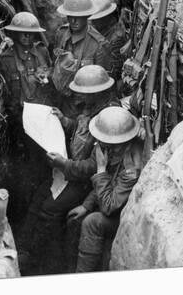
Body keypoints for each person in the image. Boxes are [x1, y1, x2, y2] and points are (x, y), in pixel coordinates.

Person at [17, 64, 119, 275]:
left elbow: (95, 166)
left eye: (83, 92)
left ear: (96, 92)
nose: (78, 95)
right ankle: (25, 250)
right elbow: (82, 129)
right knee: (39, 196)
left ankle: (49, 263)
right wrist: (66, 121)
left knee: (50, 210)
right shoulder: (91, 107)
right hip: (71, 170)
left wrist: (64, 165)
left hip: (86, 182)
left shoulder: (109, 117)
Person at [46, 106, 143, 273]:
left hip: (122, 213)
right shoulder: (109, 146)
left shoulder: (131, 166)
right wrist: (87, 205)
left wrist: (101, 169)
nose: (101, 145)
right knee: (74, 220)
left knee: (92, 222)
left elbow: (109, 206)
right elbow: (106, 180)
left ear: (120, 142)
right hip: (108, 197)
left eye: (106, 142)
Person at [0, 12, 57, 224]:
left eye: (31, 34)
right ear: (14, 35)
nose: (27, 38)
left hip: (43, 118)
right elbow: (6, 95)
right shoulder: (5, 60)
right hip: (20, 123)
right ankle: (22, 214)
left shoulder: (42, 53)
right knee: (24, 171)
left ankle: (42, 211)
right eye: (22, 33)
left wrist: (46, 78)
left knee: (45, 166)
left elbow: (51, 78)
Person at [53, 0, 112, 118]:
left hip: (84, 110)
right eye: (70, 16)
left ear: (87, 16)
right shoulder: (61, 34)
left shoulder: (99, 45)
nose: (73, 21)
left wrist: (88, 116)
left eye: (78, 16)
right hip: (61, 103)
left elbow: (104, 88)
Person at [89, 0, 128, 81]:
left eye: (96, 19)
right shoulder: (103, 31)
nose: (93, 22)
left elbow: (116, 70)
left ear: (106, 17)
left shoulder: (116, 38)